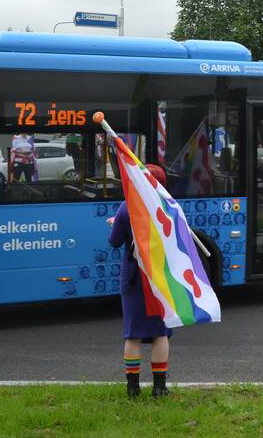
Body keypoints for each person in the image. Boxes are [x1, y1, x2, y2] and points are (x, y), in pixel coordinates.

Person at [107, 164, 173, 398]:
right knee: (160, 332)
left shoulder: (126, 207)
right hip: (158, 277)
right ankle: (159, 387)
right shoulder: (168, 207)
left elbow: (114, 242)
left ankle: (133, 388)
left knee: (133, 333)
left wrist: (116, 223)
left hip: (133, 277)